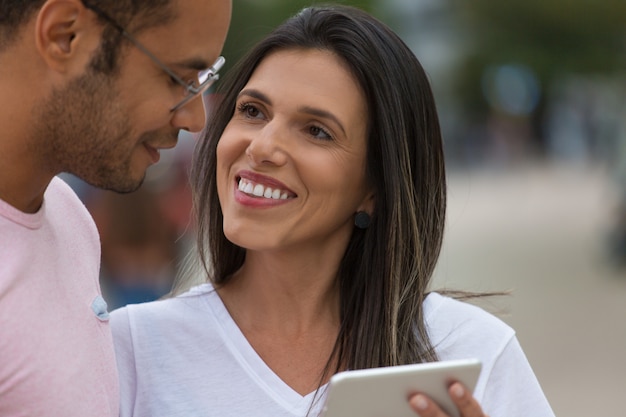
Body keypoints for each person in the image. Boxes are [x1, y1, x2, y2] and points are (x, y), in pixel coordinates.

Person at [111, 5, 555, 417]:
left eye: (317, 131)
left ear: (375, 188)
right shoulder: (130, 349)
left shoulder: (470, 353)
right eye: (252, 111)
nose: (262, 146)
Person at [0, 0, 230, 415]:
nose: (196, 118)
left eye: (203, 81)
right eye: (179, 77)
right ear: (64, 35)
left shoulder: (68, 216)